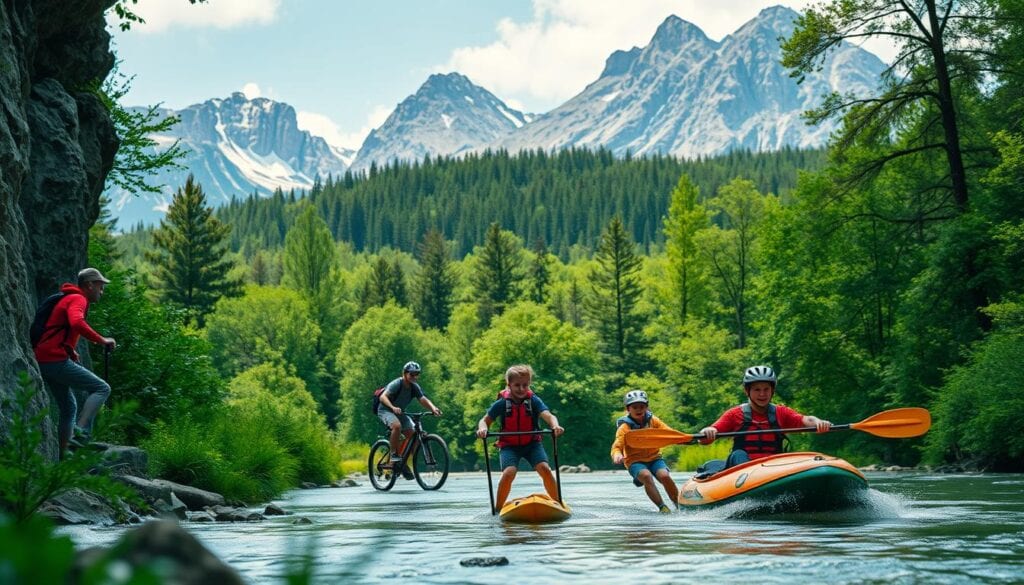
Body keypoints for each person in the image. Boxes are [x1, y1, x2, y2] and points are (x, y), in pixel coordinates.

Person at [33, 268, 116, 458]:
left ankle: (64, 459)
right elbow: (76, 322)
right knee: (102, 388)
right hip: (53, 359)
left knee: (69, 407)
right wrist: (102, 340)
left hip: (44, 358)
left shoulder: (67, 297)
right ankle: (80, 436)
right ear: (89, 285)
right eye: (100, 287)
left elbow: (59, 328)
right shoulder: (78, 299)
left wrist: (70, 350)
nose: (101, 292)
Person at [699, 365, 831, 469]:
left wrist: (819, 423)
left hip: (772, 469)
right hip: (740, 473)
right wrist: (707, 432)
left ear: (772, 390)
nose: (762, 394)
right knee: (738, 454)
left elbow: (807, 420)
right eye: (757, 389)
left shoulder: (781, 412)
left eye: (766, 389)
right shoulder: (734, 414)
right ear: (747, 391)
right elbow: (707, 436)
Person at [475, 364, 565, 513]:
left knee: (545, 469)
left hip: (532, 444)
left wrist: (555, 426)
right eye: (517, 385)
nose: (521, 389)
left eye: (525, 385)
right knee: (509, 472)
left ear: (529, 384)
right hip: (509, 445)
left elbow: (549, 416)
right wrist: (483, 429)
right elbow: (484, 420)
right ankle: (498, 510)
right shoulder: (502, 403)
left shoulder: (534, 401)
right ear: (509, 384)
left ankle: (557, 504)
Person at [609, 390, 679, 513]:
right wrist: (617, 455)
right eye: (634, 407)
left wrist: (683, 438)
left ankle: (679, 505)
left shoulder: (654, 421)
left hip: (655, 459)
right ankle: (662, 507)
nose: (638, 410)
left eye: (642, 406)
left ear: (647, 407)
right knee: (646, 476)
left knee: (665, 476)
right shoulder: (624, 428)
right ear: (628, 409)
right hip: (635, 462)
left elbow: (669, 433)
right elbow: (617, 446)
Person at [377, 361, 442, 478]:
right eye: (412, 374)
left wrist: (433, 408)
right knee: (396, 426)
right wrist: (392, 407)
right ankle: (393, 455)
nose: (415, 377)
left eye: (417, 374)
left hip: (400, 412)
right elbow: (382, 397)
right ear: (405, 373)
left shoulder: (414, 387)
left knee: (413, 435)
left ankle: (402, 462)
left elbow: (422, 398)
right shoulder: (397, 383)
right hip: (385, 410)